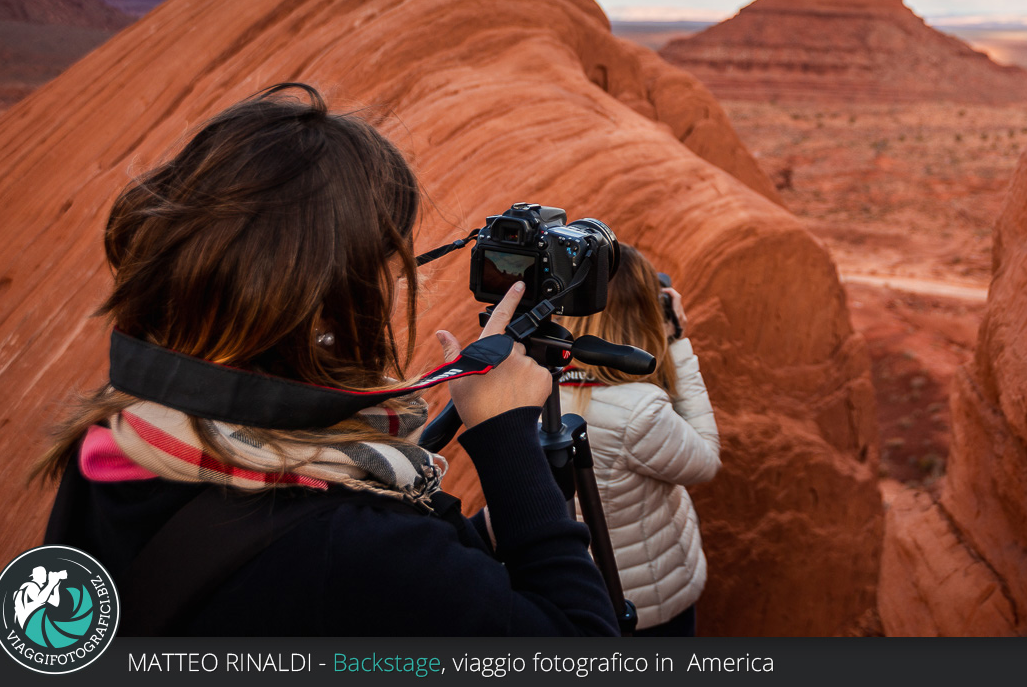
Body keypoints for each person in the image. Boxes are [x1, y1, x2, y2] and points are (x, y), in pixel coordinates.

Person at [34, 83, 618, 636]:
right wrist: (506, 438)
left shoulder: (119, 440)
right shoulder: (349, 546)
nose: (396, 284)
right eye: (386, 265)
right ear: (321, 312)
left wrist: (477, 540)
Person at [559, 246, 721, 637]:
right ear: (646, 314)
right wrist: (677, 342)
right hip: (644, 603)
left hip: (568, 591)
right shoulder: (639, 413)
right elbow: (706, 460)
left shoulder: (535, 384)